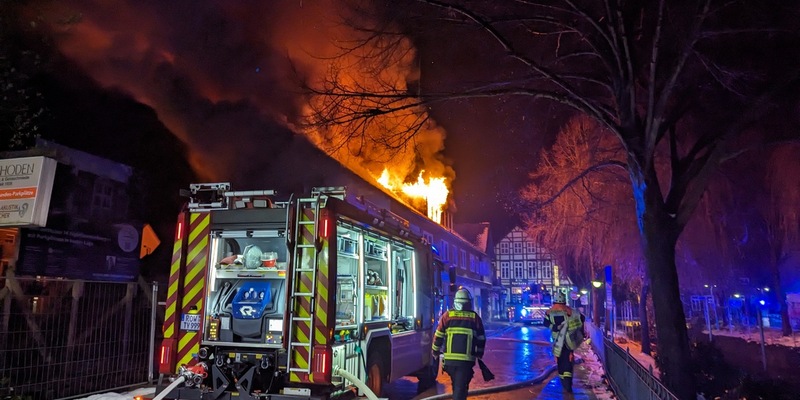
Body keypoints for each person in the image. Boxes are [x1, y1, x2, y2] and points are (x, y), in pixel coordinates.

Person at [431, 288, 486, 400]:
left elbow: (438, 336)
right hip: (466, 362)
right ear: (469, 303)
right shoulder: (475, 318)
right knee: (460, 389)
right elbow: (481, 339)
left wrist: (435, 352)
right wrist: (479, 354)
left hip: (450, 362)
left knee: (457, 386)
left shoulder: (447, 316)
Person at [544, 290, 585, 393]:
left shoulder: (549, 312)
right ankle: (567, 383)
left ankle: (564, 381)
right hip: (569, 340)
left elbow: (545, 323)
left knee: (560, 360)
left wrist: (555, 327)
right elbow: (581, 319)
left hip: (557, 341)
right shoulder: (570, 312)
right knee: (568, 360)